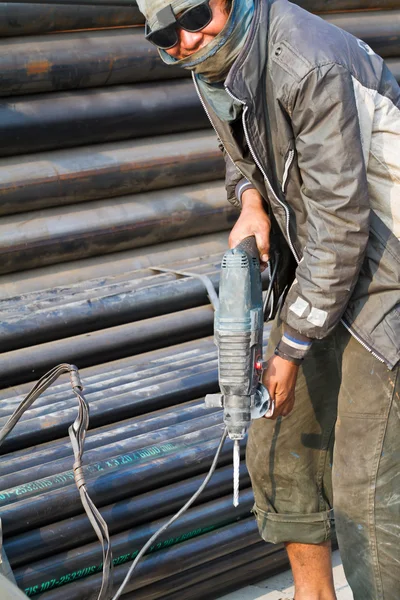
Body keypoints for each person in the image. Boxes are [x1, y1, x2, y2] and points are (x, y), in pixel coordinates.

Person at [137, 1, 400, 598]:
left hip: (387, 262)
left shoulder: (306, 62)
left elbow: (343, 225)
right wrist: (251, 204)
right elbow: (245, 162)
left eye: (196, 14)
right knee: (278, 446)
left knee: (366, 491)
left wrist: (294, 342)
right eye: (164, 32)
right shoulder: (211, 62)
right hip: (317, 258)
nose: (183, 38)